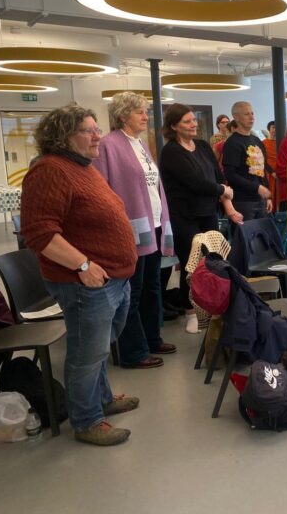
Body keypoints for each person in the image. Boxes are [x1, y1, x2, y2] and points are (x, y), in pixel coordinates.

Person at [21, 104, 138, 446]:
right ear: (63, 137)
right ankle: (86, 420)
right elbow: (39, 233)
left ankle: (100, 399)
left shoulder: (82, 167)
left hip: (112, 277)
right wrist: (83, 266)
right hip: (85, 281)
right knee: (87, 352)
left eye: (96, 128)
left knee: (99, 348)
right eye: (88, 130)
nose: (97, 135)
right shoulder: (49, 171)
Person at [93, 91, 176, 369]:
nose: (145, 116)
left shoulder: (141, 144)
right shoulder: (108, 145)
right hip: (129, 228)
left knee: (153, 286)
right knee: (133, 290)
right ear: (122, 115)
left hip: (151, 224)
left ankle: (152, 338)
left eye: (145, 111)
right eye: (139, 111)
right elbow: (101, 190)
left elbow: (151, 184)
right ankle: (132, 351)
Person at [159, 103, 242, 333]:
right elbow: (195, 182)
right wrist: (222, 191)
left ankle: (212, 306)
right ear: (174, 126)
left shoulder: (204, 147)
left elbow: (218, 178)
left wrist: (229, 205)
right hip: (184, 216)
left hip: (208, 213)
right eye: (187, 121)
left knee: (212, 261)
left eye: (193, 120)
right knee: (191, 264)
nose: (193, 124)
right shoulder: (171, 152)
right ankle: (191, 312)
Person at [223, 101, 272, 220]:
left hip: (260, 200)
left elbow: (262, 170)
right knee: (245, 237)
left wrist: (267, 196)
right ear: (236, 117)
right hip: (243, 201)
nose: (252, 117)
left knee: (262, 236)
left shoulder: (256, 140)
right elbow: (230, 175)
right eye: (246, 114)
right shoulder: (233, 143)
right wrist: (257, 188)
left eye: (252, 113)